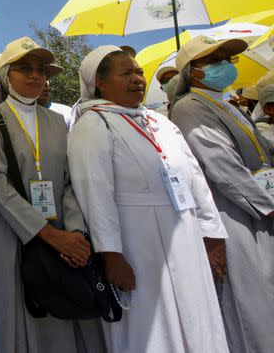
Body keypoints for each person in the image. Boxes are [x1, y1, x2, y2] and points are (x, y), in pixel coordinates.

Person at [69, 45, 229, 353]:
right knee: (152, 326)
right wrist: (111, 254)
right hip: (135, 244)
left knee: (199, 317)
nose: (138, 79)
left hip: (185, 234)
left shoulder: (160, 121)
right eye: (126, 73)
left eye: (140, 72)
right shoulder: (93, 124)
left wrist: (211, 233)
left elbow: (194, 178)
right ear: (99, 83)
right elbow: (94, 192)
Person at [0, 37, 103, 353]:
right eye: (24, 68)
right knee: (15, 307)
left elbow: (69, 180)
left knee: (61, 308)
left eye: (41, 70)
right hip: (8, 232)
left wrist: (74, 233)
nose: (35, 76)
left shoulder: (57, 121)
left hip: (60, 229)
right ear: (6, 75)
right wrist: (48, 234)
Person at [168, 36, 274, 353]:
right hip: (236, 215)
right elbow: (222, 166)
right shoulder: (189, 108)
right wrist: (268, 206)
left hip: (260, 209)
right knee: (254, 302)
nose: (225, 65)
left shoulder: (225, 103)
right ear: (193, 71)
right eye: (214, 60)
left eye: (228, 58)